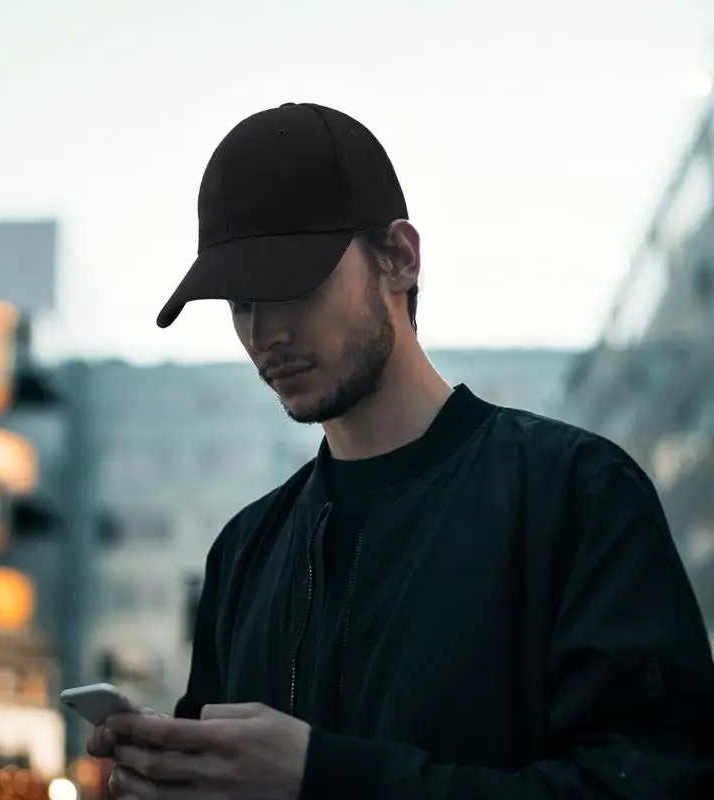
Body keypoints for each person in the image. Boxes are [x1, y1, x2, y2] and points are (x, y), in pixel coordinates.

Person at [88, 103, 714, 798]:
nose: (265, 332)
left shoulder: (576, 494)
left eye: (292, 285)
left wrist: (323, 776)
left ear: (400, 258)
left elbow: (653, 785)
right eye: (239, 304)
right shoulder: (244, 554)